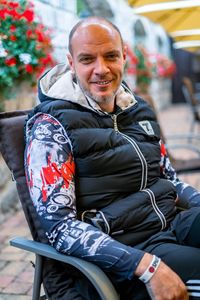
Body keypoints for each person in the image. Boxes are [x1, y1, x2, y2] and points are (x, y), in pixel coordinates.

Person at [24, 16, 200, 300]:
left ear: (124, 56)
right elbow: (60, 226)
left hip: (168, 222)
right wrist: (146, 267)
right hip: (123, 253)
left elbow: (169, 179)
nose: (101, 69)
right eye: (87, 59)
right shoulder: (51, 127)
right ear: (71, 62)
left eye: (110, 56)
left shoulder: (138, 109)